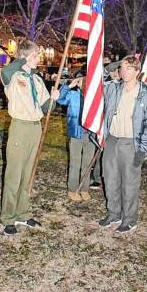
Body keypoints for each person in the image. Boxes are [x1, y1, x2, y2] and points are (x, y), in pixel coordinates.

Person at [0, 40, 59, 236]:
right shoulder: (13, 75)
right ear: (25, 56)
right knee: (14, 174)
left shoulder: (37, 80)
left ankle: (23, 213)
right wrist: (22, 59)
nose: (38, 59)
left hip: (35, 128)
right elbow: (7, 71)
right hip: (20, 127)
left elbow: (44, 107)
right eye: (34, 55)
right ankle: (8, 217)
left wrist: (54, 99)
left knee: (27, 174)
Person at [99, 55, 147, 234]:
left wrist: (143, 150)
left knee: (129, 184)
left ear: (137, 72)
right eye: (122, 68)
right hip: (112, 141)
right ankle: (114, 213)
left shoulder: (145, 95)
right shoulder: (113, 89)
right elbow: (96, 79)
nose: (124, 72)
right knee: (110, 180)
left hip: (131, 143)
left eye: (129, 68)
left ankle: (130, 219)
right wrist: (115, 64)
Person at [57, 70, 95, 202]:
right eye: (80, 81)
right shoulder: (72, 95)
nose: (83, 83)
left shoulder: (94, 97)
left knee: (87, 163)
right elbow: (60, 99)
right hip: (76, 133)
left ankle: (84, 188)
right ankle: (72, 189)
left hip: (91, 134)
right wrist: (69, 85)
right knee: (75, 162)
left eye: (85, 80)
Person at [90, 61, 122, 190]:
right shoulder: (107, 85)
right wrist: (108, 70)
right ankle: (97, 177)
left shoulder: (125, 86)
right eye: (112, 71)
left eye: (117, 71)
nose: (115, 73)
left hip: (120, 125)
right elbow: (97, 82)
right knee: (102, 152)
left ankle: (112, 178)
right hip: (106, 124)